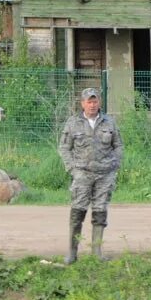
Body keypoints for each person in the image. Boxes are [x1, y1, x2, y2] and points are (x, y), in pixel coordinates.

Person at [58, 88, 123, 264]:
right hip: (82, 174)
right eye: (89, 102)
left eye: (95, 101)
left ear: (99, 103)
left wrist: (114, 164)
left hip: (105, 174)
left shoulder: (109, 122)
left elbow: (118, 145)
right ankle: (72, 253)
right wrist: (72, 168)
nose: (92, 105)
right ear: (82, 104)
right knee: (77, 212)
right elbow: (64, 148)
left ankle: (97, 252)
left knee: (100, 212)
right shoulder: (73, 123)